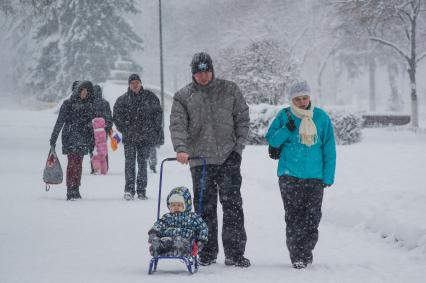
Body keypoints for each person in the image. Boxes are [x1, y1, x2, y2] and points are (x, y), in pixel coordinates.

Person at [169, 52, 251, 267]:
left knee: (233, 206)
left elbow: (242, 118)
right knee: (204, 208)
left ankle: (234, 253)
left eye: (206, 71)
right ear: (193, 74)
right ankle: (207, 252)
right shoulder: (183, 96)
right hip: (200, 160)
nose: (203, 76)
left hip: (228, 158)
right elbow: (177, 125)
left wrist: (238, 149)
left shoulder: (229, 89)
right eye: (199, 73)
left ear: (212, 70)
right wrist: (181, 149)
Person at [265, 80, 336, 269]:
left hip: (315, 177)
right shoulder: (284, 116)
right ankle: (297, 255)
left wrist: (328, 176)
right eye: (298, 99)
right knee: (294, 217)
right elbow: (271, 139)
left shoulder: (321, 117)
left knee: (312, 218)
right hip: (290, 175)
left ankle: (307, 251)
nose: (302, 102)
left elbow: (329, 149)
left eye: (305, 98)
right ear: (291, 100)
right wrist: (287, 129)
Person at [113, 74, 163, 200]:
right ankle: (129, 189)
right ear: (129, 85)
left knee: (142, 164)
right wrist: (125, 128)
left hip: (145, 138)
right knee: (129, 164)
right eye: (132, 83)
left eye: (137, 82)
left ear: (140, 83)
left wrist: (153, 129)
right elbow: (117, 117)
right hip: (129, 138)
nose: (135, 85)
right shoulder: (122, 100)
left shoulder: (150, 97)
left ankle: (141, 190)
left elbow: (158, 114)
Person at [50, 81, 95, 200]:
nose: (85, 93)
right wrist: (53, 138)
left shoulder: (88, 105)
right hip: (70, 136)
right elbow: (60, 122)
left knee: (79, 164)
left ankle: (76, 188)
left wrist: (92, 140)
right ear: (78, 91)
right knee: (72, 163)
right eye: (83, 91)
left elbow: (90, 124)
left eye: (86, 92)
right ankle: (70, 189)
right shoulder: (67, 104)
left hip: (83, 137)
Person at [148, 187, 208, 256]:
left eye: (179, 205)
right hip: (168, 240)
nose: (176, 207)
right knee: (164, 242)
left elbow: (203, 228)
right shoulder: (167, 217)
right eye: (173, 205)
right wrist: (153, 232)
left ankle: (179, 248)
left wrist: (201, 240)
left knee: (181, 242)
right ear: (169, 206)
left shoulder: (192, 217)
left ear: (186, 205)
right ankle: (157, 247)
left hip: (186, 241)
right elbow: (159, 224)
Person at [90, 84, 113, 174]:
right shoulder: (105, 103)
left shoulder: (90, 103)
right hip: (103, 131)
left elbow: (88, 117)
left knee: (93, 148)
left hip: (93, 130)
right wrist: (107, 127)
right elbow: (109, 117)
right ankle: (104, 167)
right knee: (103, 148)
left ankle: (94, 167)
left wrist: (90, 127)